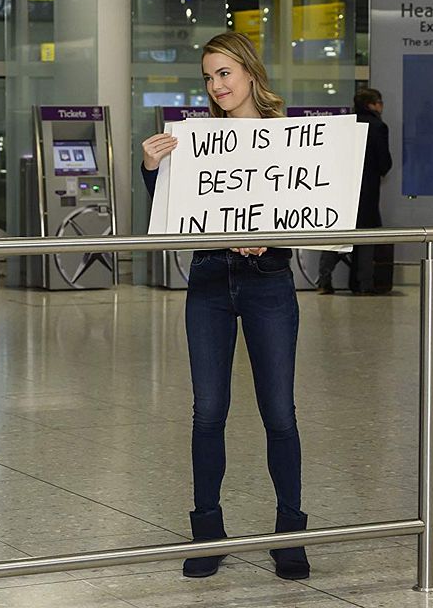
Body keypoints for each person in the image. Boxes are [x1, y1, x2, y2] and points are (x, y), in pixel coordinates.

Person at [140, 32, 309, 580]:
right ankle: (207, 531)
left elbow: (311, 207)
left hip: (268, 282)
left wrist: (273, 238)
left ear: (250, 72)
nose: (217, 86)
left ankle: (291, 533)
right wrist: (151, 169)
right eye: (209, 77)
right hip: (211, 279)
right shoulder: (194, 140)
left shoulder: (289, 135)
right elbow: (173, 212)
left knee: (279, 412)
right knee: (208, 411)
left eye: (225, 74)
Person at [317, 87, 393, 295]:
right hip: (367, 190)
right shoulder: (378, 127)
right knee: (366, 237)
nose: (381, 107)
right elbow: (384, 162)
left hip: (342, 187)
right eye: (380, 103)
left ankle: (324, 280)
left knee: (338, 235)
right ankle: (363, 284)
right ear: (372, 105)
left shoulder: (345, 124)